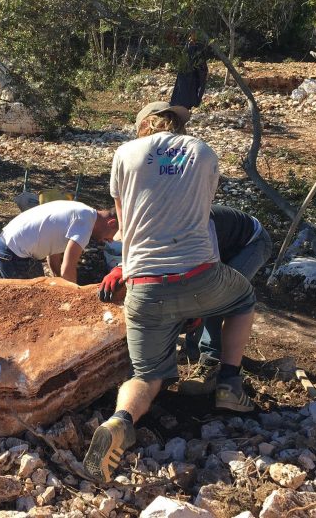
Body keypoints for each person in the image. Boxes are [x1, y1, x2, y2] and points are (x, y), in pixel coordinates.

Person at [83, 101, 256, 483]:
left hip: (144, 284)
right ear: (177, 124)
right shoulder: (203, 151)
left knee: (147, 374)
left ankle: (119, 421)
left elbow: (125, 224)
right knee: (242, 299)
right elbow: (201, 210)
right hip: (200, 273)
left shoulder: (125, 153)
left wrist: (124, 268)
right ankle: (228, 383)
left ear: (143, 124)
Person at [180, 205, 272, 394]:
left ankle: (211, 363)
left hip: (253, 243)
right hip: (222, 246)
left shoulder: (193, 228)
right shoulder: (164, 228)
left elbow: (209, 283)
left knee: (222, 296)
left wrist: (197, 310)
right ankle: (192, 349)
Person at [0, 200, 118, 283]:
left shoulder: (82, 211)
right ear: (111, 223)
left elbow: (54, 252)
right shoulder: (85, 225)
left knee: (41, 291)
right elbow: (68, 269)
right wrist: (75, 296)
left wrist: (58, 280)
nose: (110, 240)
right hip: (12, 253)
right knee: (30, 301)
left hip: (12, 247)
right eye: (113, 235)